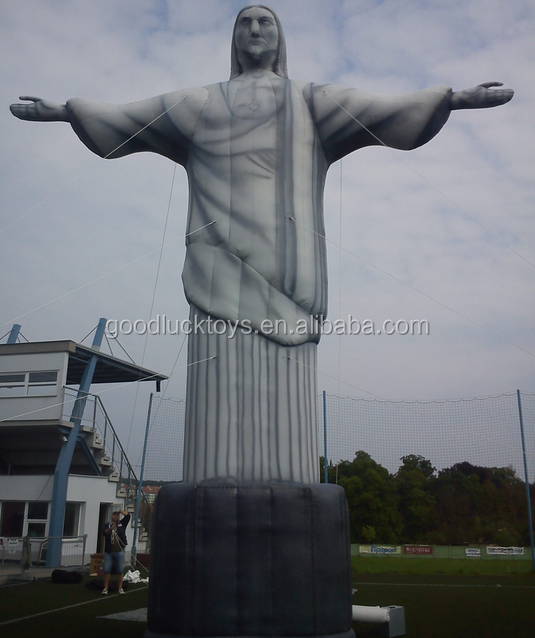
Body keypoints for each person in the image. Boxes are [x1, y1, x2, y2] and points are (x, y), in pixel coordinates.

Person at [10, 6, 513, 486]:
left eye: (264, 21)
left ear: (279, 38)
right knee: (219, 391)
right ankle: (213, 483)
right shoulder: (201, 104)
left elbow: (384, 111)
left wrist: (452, 98)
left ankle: (288, 484)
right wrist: (65, 110)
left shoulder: (310, 101)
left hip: (290, 278)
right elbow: (129, 119)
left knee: (287, 396)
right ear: (233, 39)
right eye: (244, 22)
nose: (254, 29)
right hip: (217, 269)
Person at [101, 509, 130, 595]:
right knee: (107, 570)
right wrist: (111, 529)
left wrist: (120, 511)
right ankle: (105, 588)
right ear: (111, 516)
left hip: (119, 551)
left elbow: (128, 516)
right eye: (114, 515)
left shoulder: (122, 524)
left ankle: (120, 588)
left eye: (117, 515)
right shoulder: (107, 525)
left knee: (120, 570)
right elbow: (104, 533)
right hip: (109, 552)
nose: (115, 516)